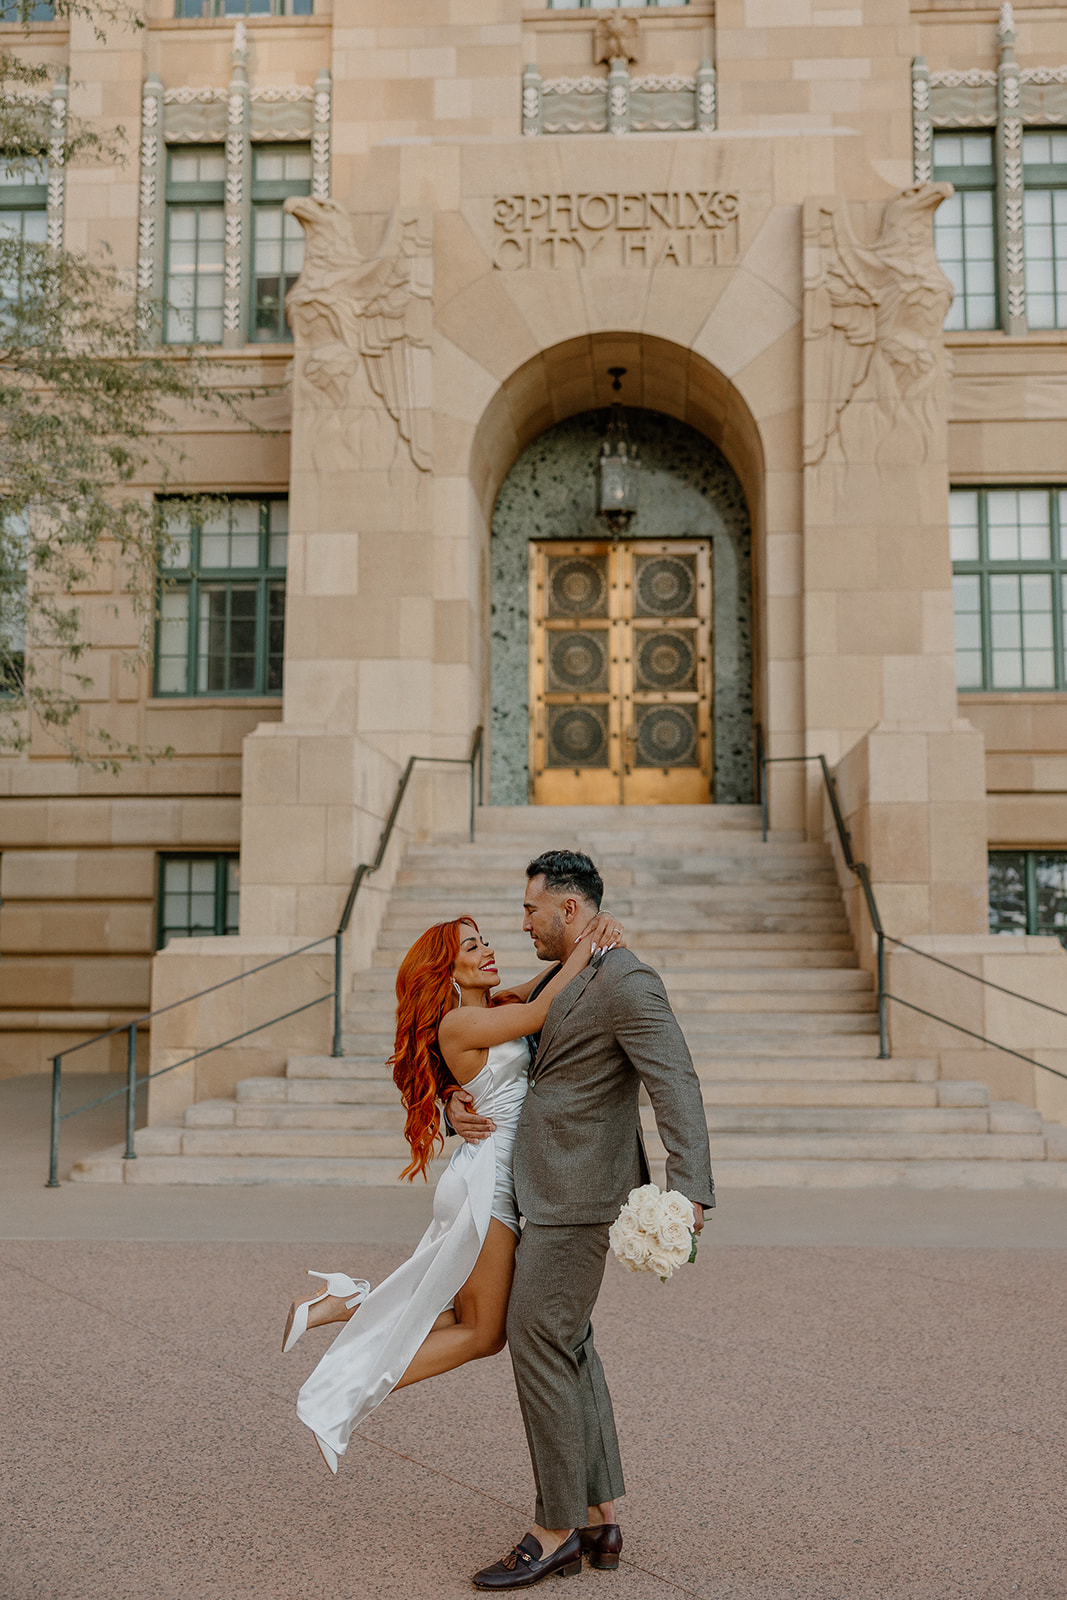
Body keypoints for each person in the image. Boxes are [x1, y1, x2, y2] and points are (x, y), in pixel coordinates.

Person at [280, 900, 626, 1477]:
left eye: (485, 939)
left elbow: (539, 983)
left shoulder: (490, 1008)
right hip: (488, 1183)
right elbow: (546, 1007)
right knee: (483, 1332)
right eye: (472, 947)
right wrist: (593, 943)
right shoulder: (462, 1023)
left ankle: (337, 1305)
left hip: (485, 1173)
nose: (488, 949)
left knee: (449, 1311)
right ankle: (342, 1398)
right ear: (447, 972)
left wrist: (590, 934)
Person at [447, 850, 715, 1591]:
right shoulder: (561, 975)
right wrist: (452, 1106)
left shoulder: (626, 980)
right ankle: (598, 1517)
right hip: (537, 1184)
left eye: (530, 909)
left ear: (567, 910)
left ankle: (553, 1528)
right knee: (566, 1343)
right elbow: (499, 1045)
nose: (520, 922)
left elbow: (675, 1079)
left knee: (535, 1339)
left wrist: (687, 1189)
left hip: (578, 1194)